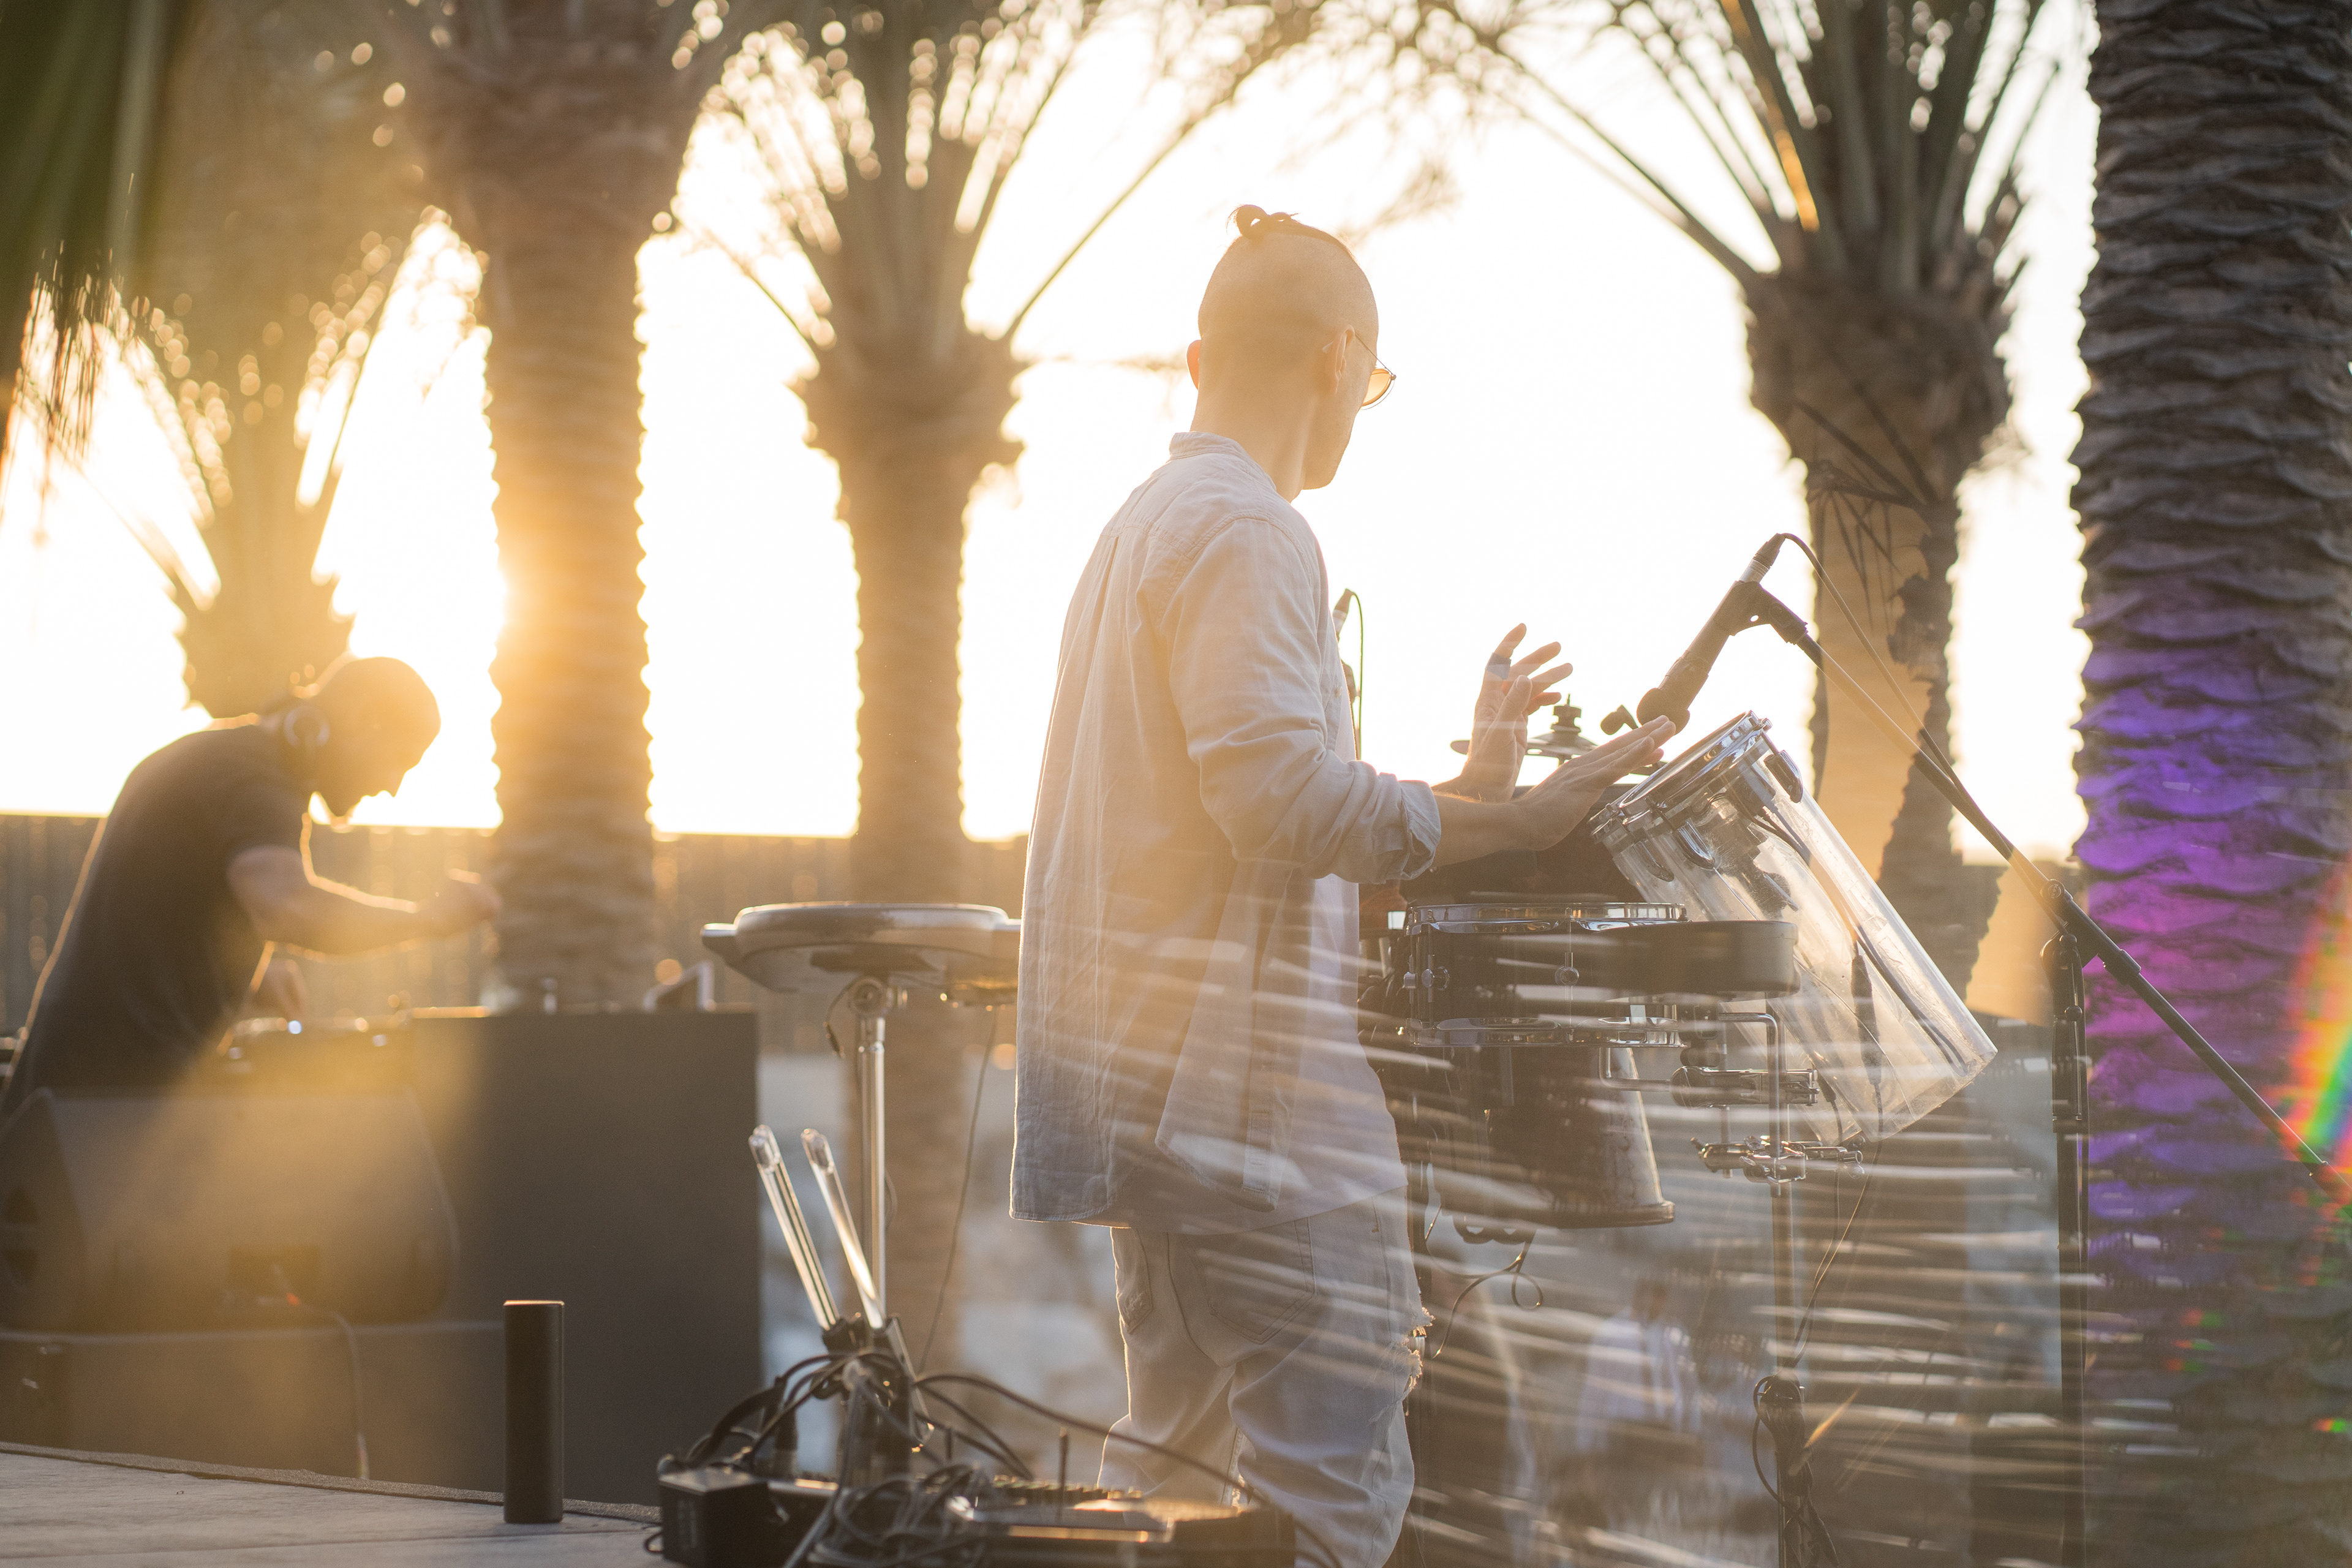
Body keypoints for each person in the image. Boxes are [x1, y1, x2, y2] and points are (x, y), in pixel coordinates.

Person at [1012, 206, 1675, 1566]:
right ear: (1337, 357)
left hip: (1166, 1123)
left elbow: (1240, 825)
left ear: (1202, 359)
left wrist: (1474, 785)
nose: (1361, 412)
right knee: (1330, 1503)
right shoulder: (1253, 532)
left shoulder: (1146, 525)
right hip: (1265, 1132)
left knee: (1173, 1499)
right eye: (1370, 383)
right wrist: (1522, 819)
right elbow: (1277, 805)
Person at [0, 657, 500, 1115]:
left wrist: (246, 976)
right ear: (362, 719)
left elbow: (158, 913)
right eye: (400, 761)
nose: (393, 787)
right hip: (101, 1105)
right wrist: (431, 918)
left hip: (75, 1090)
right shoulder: (258, 779)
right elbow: (286, 908)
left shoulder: (218, 755)